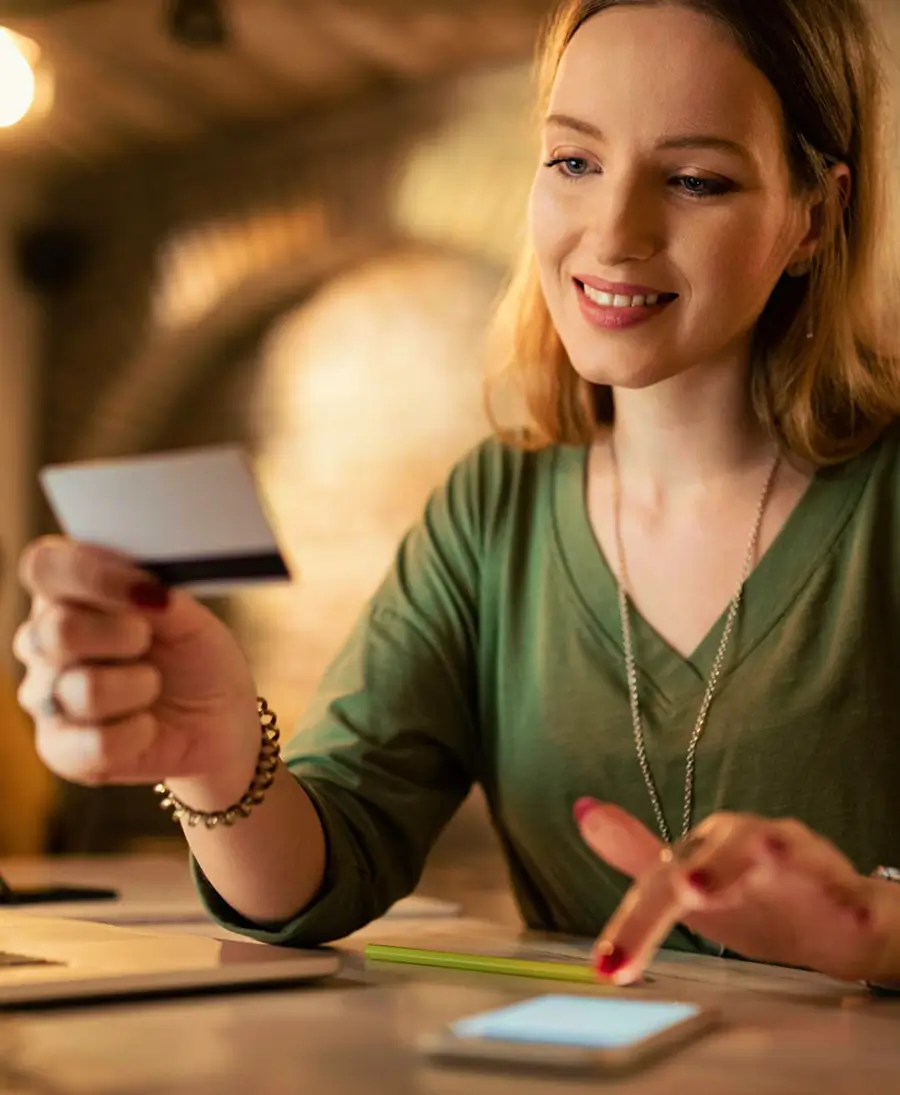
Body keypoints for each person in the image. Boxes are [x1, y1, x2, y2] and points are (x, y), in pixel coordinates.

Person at [13, 0, 900, 989]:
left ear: (815, 216)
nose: (613, 233)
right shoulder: (493, 509)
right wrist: (217, 751)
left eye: (695, 179)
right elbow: (323, 871)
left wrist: (872, 930)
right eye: (574, 162)